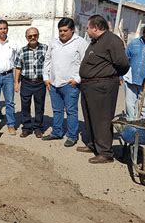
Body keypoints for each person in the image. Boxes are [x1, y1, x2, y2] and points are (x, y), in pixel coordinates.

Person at [78, 15, 129, 164]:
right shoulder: (96, 41)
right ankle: (94, 145)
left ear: (95, 27)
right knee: (90, 117)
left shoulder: (112, 40)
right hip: (89, 86)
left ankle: (105, 153)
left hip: (102, 86)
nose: (87, 31)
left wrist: (111, 75)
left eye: (88, 28)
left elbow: (123, 63)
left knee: (102, 119)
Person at [42, 18, 88, 147]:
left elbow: (86, 63)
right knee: (57, 110)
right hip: (54, 83)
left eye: (65, 30)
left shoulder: (80, 43)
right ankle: (57, 132)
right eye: (60, 30)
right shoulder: (53, 42)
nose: (62, 33)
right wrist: (46, 78)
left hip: (70, 84)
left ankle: (72, 136)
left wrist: (77, 79)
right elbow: (47, 60)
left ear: (72, 30)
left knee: (71, 111)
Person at [14, 27, 48, 138]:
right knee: (25, 106)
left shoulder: (45, 49)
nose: (33, 37)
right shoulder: (22, 51)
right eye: (30, 36)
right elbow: (18, 67)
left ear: (38, 35)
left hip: (40, 82)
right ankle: (27, 128)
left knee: (39, 106)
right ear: (26, 38)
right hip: (26, 82)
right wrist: (16, 83)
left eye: (35, 35)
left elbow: (50, 65)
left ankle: (38, 128)